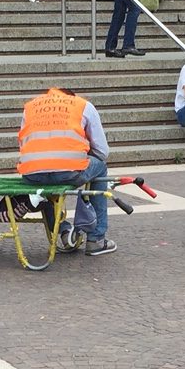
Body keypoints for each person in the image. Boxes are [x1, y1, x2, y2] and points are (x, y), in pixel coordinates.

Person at [16, 86, 116, 256]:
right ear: (71, 97)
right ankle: (96, 239)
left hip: (32, 172)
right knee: (100, 167)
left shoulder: (31, 107)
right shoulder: (83, 105)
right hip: (69, 171)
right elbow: (102, 152)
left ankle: (63, 232)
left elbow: (24, 144)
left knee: (47, 183)